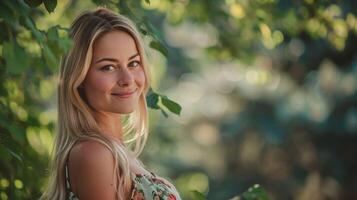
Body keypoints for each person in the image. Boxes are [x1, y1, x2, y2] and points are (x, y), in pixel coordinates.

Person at [40, 7, 181, 200]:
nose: (127, 79)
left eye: (133, 63)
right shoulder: (94, 154)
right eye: (108, 67)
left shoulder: (115, 153)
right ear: (79, 79)